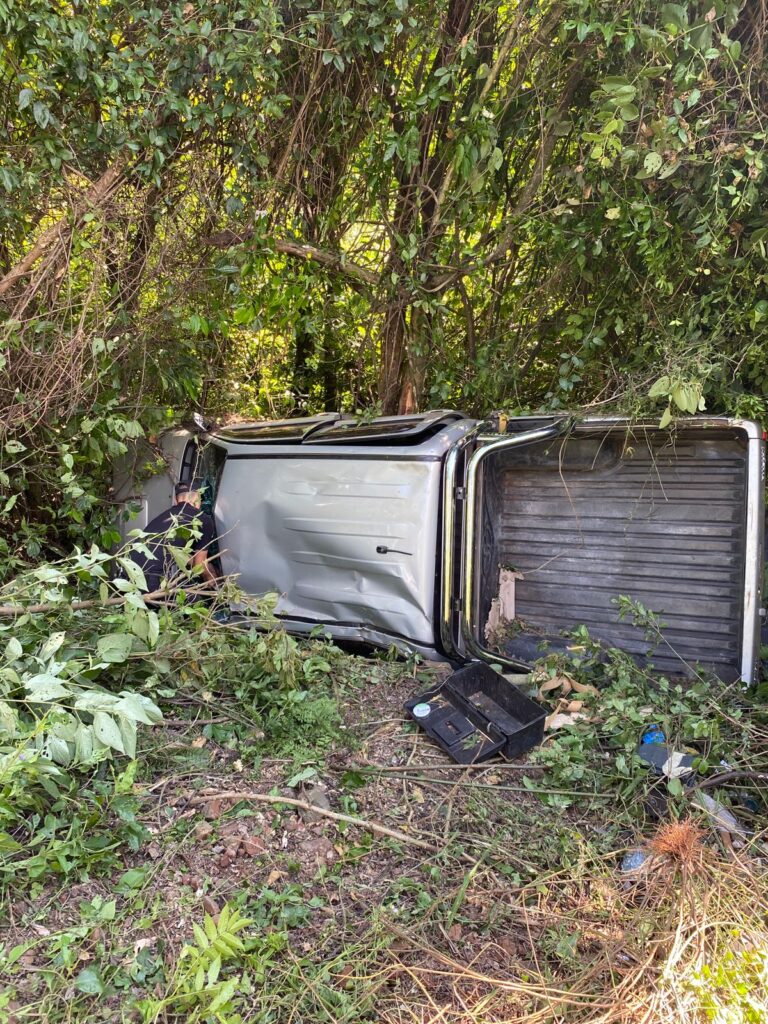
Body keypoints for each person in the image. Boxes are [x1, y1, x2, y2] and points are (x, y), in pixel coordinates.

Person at [128, 480, 218, 601]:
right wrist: (213, 580)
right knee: (195, 601)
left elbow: (175, 551)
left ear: (176, 500)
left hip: (126, 576)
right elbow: (199, 565)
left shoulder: (165, 516)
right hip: (150, 583)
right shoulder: (202, 519)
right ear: (198, 499)